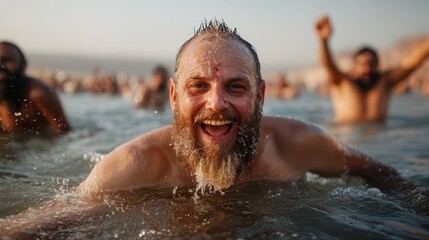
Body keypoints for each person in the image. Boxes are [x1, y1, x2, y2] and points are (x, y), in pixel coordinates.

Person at [0, 19, 426, 236]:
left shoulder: (300, 144)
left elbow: (382, 174)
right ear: (173, 97)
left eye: (235, 87)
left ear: (260, 97)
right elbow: (37, 226)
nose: (216, 103)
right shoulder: (134, 166)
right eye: (198, 86)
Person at [314, 15, 429, 123]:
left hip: (382, 142)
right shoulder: (342, 82)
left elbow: (411, 63)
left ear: (378, 65)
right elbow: (329, 66)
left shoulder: (385, 82)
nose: (367, 68)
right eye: (362, 64)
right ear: (353, 66)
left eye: (372, 63)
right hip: (347, 141)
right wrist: (323, 41)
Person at [0, 41, 71, 136]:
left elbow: (63, 134)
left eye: (6, 60)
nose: (1, 65)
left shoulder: (40, 94)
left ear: (23, 65)